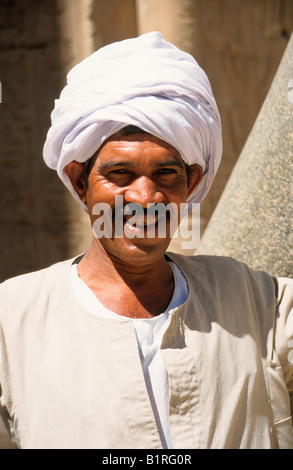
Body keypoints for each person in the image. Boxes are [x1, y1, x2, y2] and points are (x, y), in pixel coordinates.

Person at [0, 32, 292, 450]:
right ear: (81, 182)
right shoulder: (12, 322)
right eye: (119, 174)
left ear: (190, 184)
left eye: (166, 174)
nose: (145, 197)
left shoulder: (256, 302)